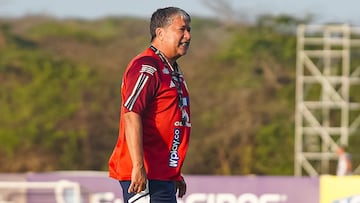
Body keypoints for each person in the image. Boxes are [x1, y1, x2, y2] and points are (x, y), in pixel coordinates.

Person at [108, 7, 192, 203]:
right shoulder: (147, 66)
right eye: (182, 29)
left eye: (189, 30)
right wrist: (138, 166)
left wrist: (174, 171)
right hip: (144, 175)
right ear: (160, 33)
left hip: (162, 174)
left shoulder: (171, 69)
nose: (188, 36)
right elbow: (131, 114)